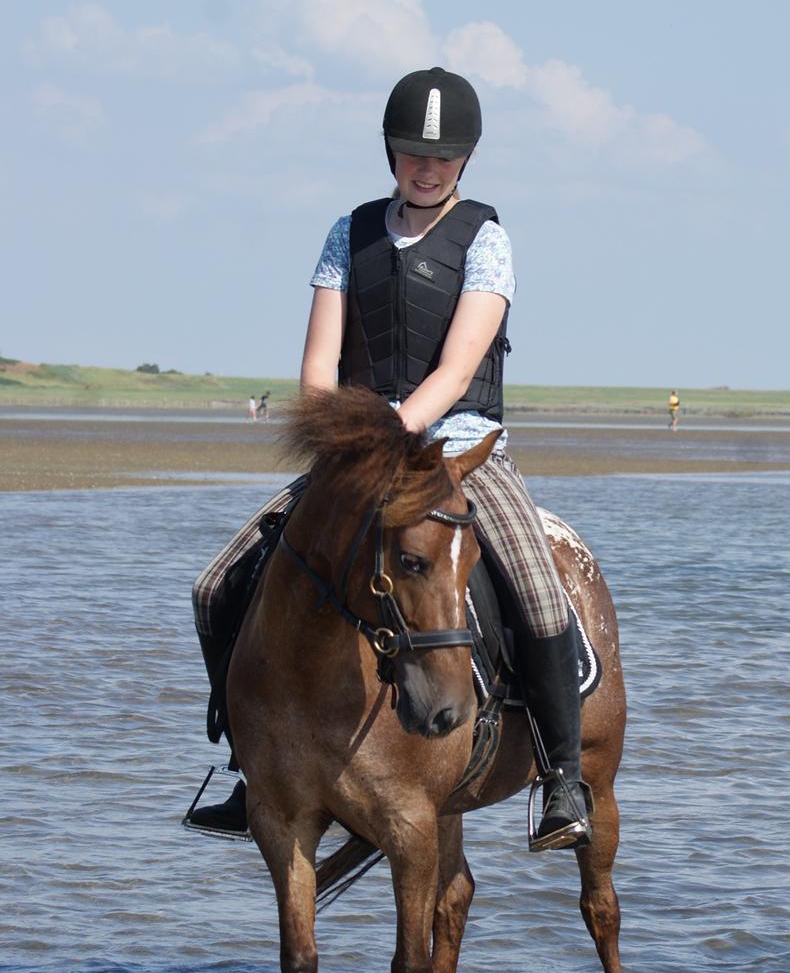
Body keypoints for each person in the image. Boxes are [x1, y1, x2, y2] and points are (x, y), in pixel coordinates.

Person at [188, 67, 592, 854]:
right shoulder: (348, 233)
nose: (426, 167)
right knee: (217, 585)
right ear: (390, 152)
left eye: (441, 157)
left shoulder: (487, 240)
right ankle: (250, 765)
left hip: (458, 450)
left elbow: (455, 366)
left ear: (465, 161)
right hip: (358, 453)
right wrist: (353, 445)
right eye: (412, 153)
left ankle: (562, 778)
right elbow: (317, 369)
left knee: (541, 600)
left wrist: (394, 438)